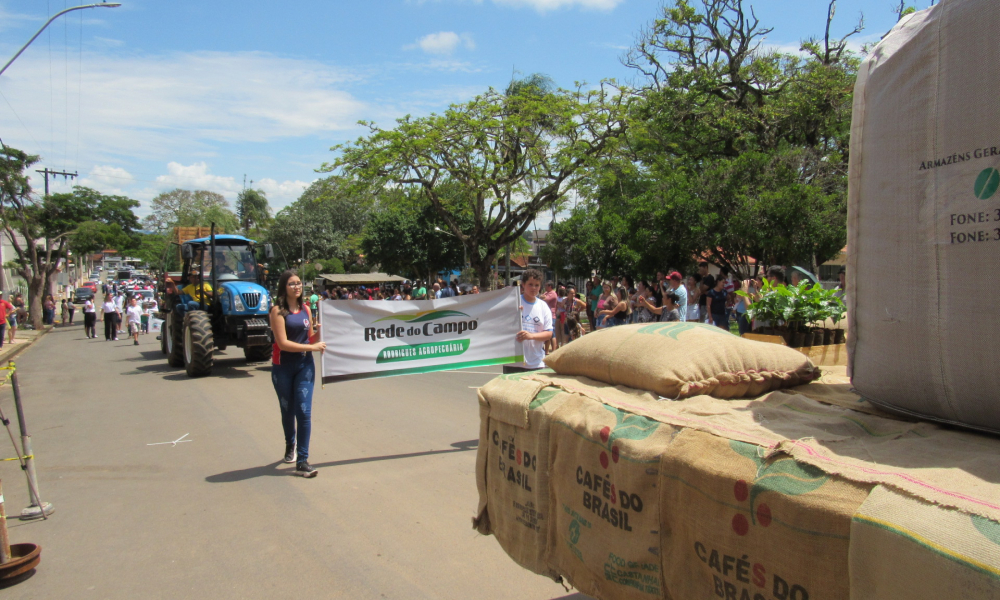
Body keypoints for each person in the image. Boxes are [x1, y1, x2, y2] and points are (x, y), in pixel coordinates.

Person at [269, 271, 326, 478]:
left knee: (303, 411)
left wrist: (319, 332)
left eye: (299, 283)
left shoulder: (305, 309)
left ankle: (302, 460)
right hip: (283, 366)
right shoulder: (277, 311)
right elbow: (283, 343)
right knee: (288, 411)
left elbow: (310, 339)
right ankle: (290, 444)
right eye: (292, 284)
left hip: (304, 366)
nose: (297, 287)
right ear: (284, 287)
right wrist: (313, 347)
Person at [516, 269, 553, 369]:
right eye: (530, 284)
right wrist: (514, 314)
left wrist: (531, 336)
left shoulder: (543, 306)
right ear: (523, 284)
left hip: (536, 362)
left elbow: (548, 334)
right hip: (514, 362)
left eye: (537, 285)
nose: (533, 288)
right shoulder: (514, 302)